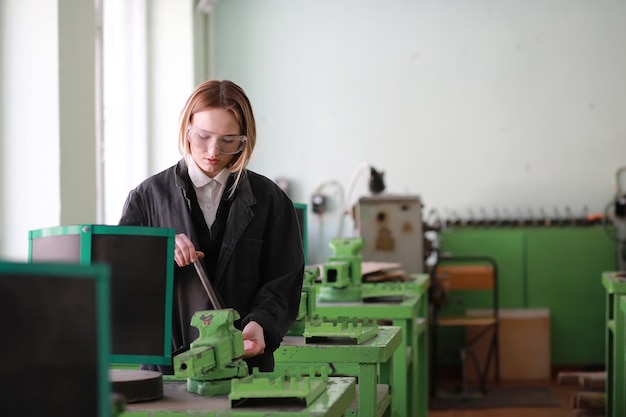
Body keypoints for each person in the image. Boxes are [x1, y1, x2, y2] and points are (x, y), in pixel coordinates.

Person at [119, 79, 305, 374]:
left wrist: (260, 325)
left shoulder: (272, 201)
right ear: (187, 128)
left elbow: (284, 281)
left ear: (245, 139)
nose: (213, 151)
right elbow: (123, 282)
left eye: (229, 140)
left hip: (245, 366)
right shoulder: (147, 197)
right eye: (203, 136)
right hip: (167, 368)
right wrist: (158, 251)